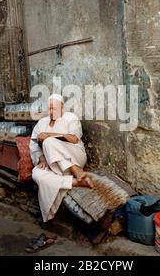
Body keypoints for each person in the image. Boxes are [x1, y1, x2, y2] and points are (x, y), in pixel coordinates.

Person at [30, 94, 94, 223]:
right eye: (49, 109)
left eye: (54, 108)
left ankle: (76, 169)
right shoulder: (42, 122)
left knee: (48, 142)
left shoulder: (71, 118)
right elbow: (33, 143)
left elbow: (74, 139)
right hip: (52, 162)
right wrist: (42, 158)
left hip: (75, 156)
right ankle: (76, 182)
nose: (51, 112)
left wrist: (49, 135)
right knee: (37, 174)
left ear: (62, 107)